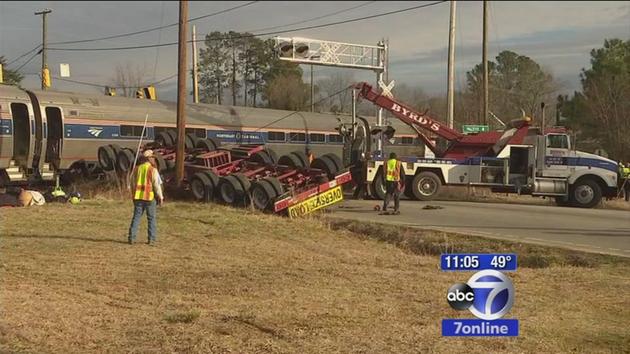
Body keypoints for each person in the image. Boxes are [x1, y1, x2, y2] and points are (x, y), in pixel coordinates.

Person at [127, 150, 164, 245]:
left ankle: (131, 238)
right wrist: (160, 196)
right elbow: (156, 185)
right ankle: (151, 239)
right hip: (149, 197)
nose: (154, 159)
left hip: (138, 197)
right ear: (148, 159)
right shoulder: (152, 170)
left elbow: (132, 183)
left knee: (136, 217)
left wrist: (133, 194)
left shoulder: (136, 169)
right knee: (151, 218)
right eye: (152, 157)